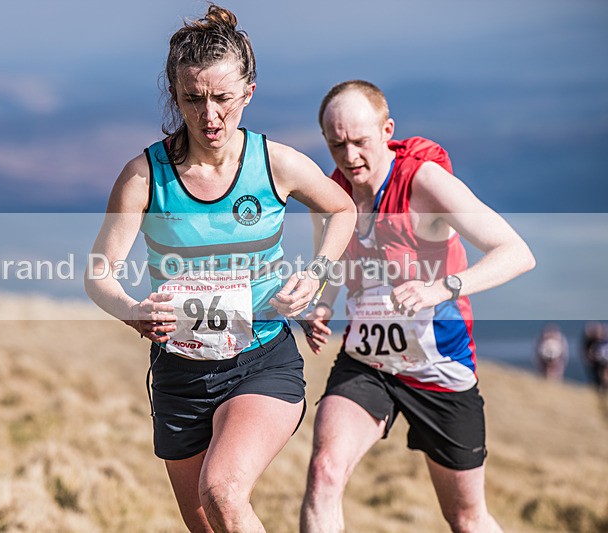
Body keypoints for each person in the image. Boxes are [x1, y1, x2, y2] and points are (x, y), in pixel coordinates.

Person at [84, 6, 355, 532]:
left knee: (223, 492)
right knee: (206, 524)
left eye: (223, 98)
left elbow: (341, 209)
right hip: (180, 373)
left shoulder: (274, 163)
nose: (210, 116)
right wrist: (132, 311)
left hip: (262, 360)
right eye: (193, 98)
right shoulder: (144, 177)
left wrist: (316, 274)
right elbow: (99, 275)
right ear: (175, 93)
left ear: (248, 93)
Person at [300, 80, 536, 533]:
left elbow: (516, 252)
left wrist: (442, 287)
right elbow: (328, 259)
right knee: (324, 472)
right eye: (336, 145)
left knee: (466, 518)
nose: (350, 157)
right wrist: (322, 306)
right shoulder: (332, 193)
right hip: (368, 361)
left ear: (387, 130)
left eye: (360, 142)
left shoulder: (423, 182)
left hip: (440, 367)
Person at [583, 322, 608, 393]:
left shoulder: (604, 342)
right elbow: (590, 353)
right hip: (598, 363)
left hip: (604, 362)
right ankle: (600, 388)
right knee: (598, 377)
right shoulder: (593, 342)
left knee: (603, 375)